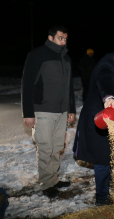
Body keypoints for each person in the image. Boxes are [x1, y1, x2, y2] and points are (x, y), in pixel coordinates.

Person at [73, 40, 114, 206]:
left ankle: (106, 182)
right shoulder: (106, 65)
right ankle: (102, 198)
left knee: (110, 151)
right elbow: (105, 81)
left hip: (110, 115)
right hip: (97, 117)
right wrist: (108, 97)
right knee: (103, 157)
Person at [22, 25, 76, 198]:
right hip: (42, 110)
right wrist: (28, 113)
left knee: (57, 147)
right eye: (61, 38)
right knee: (45, 148)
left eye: (66, 39)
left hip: (61, 111)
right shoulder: (37, 55)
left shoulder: (66, 59)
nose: (64, 41)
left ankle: (54, 179)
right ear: (50, 38)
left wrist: (71, 109)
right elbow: (27, 85)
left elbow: (69, 87)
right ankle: (46, 183)